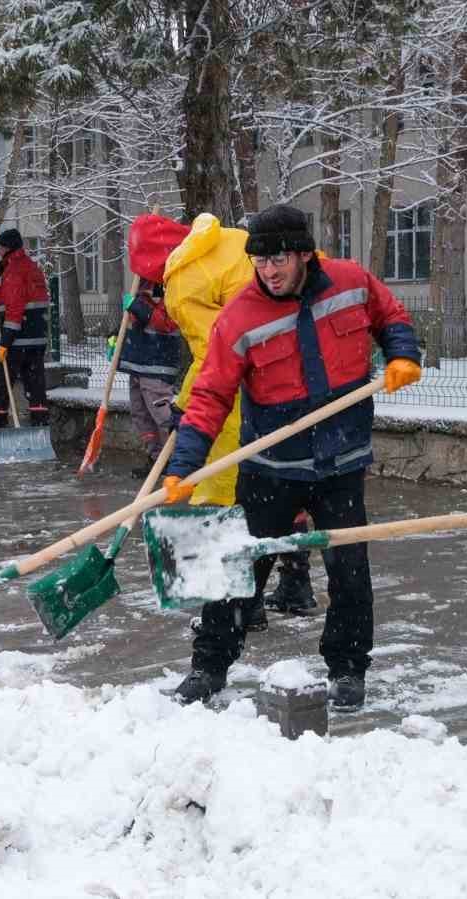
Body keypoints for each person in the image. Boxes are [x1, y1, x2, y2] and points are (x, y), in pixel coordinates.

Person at [159, 204, 422, 708]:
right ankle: (210, 666)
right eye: (259, 261)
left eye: (278, 259)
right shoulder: (239, 317)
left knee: (349, 570)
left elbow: (390, 315)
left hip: (341, 462)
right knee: (241, 568)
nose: (269, 271)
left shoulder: (350, 282)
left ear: (304, 253)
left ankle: (348, 669)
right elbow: (210, 394)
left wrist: (402, 353)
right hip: (271, 468)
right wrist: (185, 466)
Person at [129, 211, 316, 625]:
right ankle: (295, 584)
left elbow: (216, 351)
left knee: (222, 487)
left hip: (249, 380)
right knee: (282, 481)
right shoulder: (226, 240)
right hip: (295, 365)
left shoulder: (181, 284)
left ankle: (238, 605)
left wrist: (186, 404)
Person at [0, 229, 50, 434]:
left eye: (1, 246)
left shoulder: (14, 271)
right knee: (35, 385)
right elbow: (25, 298)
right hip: (36, 339)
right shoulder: (31, 267)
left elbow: (14, 309)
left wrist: (4, 342)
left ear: (9, 248)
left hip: (17, 339)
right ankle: (40, 428)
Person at [118, 281, 184, 477]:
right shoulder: (140, 287)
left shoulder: (173, 289)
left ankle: (177, 458)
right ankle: (156, 458)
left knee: (163, 416)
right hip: (137, 364)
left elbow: (165, 322)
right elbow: (136, 322)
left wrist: (137, 306)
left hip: (157, 366)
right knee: (141, 414)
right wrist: (116, 336)